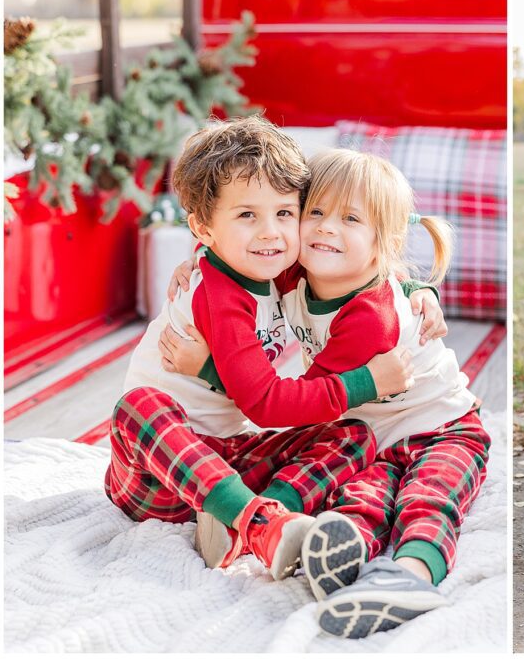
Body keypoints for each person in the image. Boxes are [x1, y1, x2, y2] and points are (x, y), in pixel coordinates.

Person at [162, 148, 490, 640]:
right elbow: (245, 254)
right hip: (370, 434)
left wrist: (206, 367)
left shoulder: (370, 319)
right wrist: (202, 261)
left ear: (383, 244)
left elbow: (301, 405)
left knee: (429, 496)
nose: (325, 228)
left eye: (350, 218)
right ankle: (339, 560)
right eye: (315, 211)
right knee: (362, 498)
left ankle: (410, 578)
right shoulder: (296, 274)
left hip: (443, 429)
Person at [106, 117, 414, 582]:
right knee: (138, 407)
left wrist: (417, 291)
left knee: (354, 435)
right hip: (157, 477)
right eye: (247, 215)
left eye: (285, 213)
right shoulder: (220, 294)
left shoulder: (276, 269)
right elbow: (267, 405)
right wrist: (367, 382)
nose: (271, 232)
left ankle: (248, 516)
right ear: (204, 230)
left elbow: (356, 266)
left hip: (226, 459)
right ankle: (261, 526)